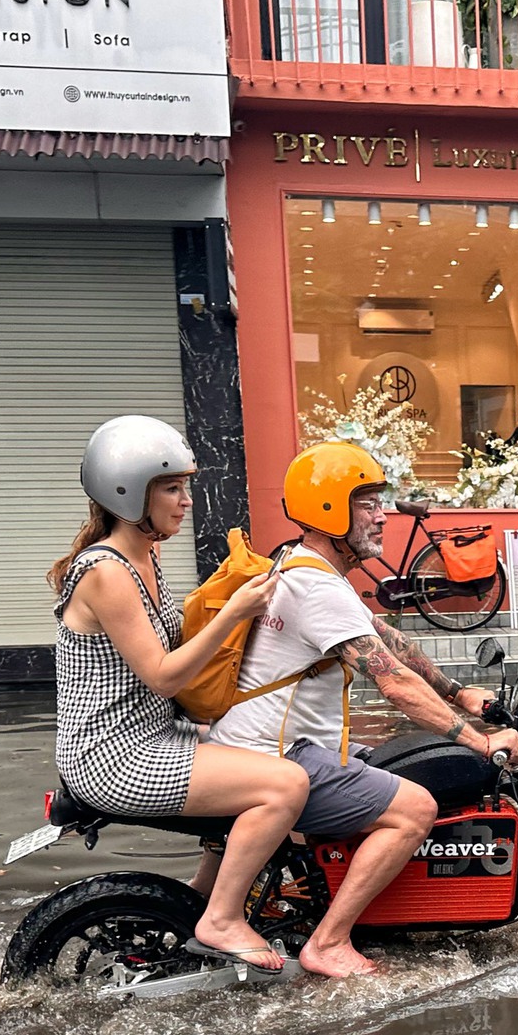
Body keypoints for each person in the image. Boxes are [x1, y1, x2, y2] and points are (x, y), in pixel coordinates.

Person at [206, 441, 518, 980]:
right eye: (367, 502)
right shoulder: (316, 587)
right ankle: (329, 942)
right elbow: (394, 684)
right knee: (416, 808)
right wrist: (478, 738)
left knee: (388, 763)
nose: (383, 515)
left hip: (262, 746)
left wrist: (460, 695)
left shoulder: (301, 563)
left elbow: (387, 639)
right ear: (329, 507)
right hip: (280, 756)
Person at [48, 415, 313, 982]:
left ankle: (197, 902)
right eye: (171, 488)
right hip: (112, 753)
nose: (186, 500)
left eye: (186, 486)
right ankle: (220, 919)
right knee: (285, 785)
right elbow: (163, 675)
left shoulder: (146, 555)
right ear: (127, 491)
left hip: (152, 734)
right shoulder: (106, 571)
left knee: (266, 745)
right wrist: (237, 611)